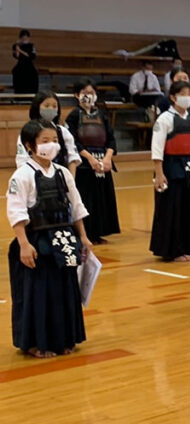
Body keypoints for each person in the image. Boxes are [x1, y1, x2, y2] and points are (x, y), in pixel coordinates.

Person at [7, 120, 92, 358]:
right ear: (29, 146)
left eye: (54, 141)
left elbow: (76, 206)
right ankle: (36, 342)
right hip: (36, 241)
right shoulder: (21, 176)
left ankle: (65, 338)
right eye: (45, 141)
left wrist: (83, 237)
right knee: (39, 293)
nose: (51, 145)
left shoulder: (63, 173)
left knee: (65, 290)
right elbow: (16, 213)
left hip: (63, 239)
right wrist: (24, 244)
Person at [150, 81, 190, 262]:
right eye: (183, 93)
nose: (187, 97)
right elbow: (157, 150)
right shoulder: (164, 119)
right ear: (173, 97)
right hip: (171, 167)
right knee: (173, 209)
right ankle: (174, 250)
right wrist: (159, 174)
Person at [65, 79, 120, 244]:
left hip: (103, 161)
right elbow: (73, 141)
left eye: (92, 93)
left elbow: (111, 139)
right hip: (84, 164)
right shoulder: (74, 115)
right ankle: (86, 233)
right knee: (87, 198)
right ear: (76, 95)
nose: (88, 96)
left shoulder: (101, 114)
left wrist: (107, 158)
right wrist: (89, 159)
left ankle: (99, 232)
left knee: (101, 198)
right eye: (84, 93)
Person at [16, 92, 81, 178]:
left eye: (54, 106)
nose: (51, 109)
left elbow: (72, 157)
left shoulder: (63, 131)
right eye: (46, 106)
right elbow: (22, 161)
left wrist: (71, 180)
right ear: (37, 107)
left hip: (60, 179)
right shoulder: (27, 132)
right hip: (36, 180)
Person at [11, 29, 38, 94]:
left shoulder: (31, 46)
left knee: (33, 74)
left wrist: (20, 50)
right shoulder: (17, 45)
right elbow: (17, 56)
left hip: (29, 65)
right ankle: (18, 95)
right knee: (16, 72)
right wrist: (17, 46)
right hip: (21, 64)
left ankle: (31, 95)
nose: (25, 39)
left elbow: (30, 56)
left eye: (26, 37)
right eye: (23, 37)